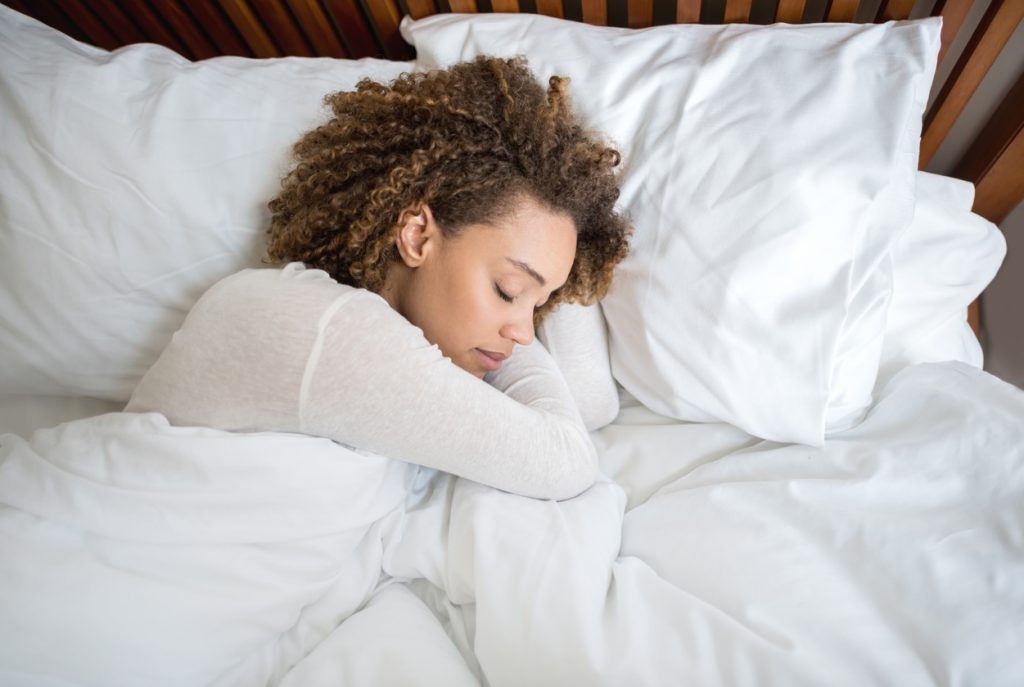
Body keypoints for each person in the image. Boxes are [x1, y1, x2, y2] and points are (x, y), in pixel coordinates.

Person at [126, 56, 631, 500]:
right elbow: (563, 460)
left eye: (539, 308)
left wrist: (555, 248)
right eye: (508, 291)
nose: (524, 332)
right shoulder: (324, 329)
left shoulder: (404, 341)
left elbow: (590, 407)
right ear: (416, 236)